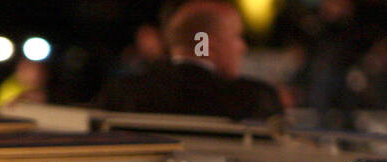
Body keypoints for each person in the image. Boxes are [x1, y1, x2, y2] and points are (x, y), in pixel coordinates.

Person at [93, 0, 282, 121]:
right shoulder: (255, 100)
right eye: (237, 36)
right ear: (205, 43)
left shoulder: (121, 94)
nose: (243, 47)